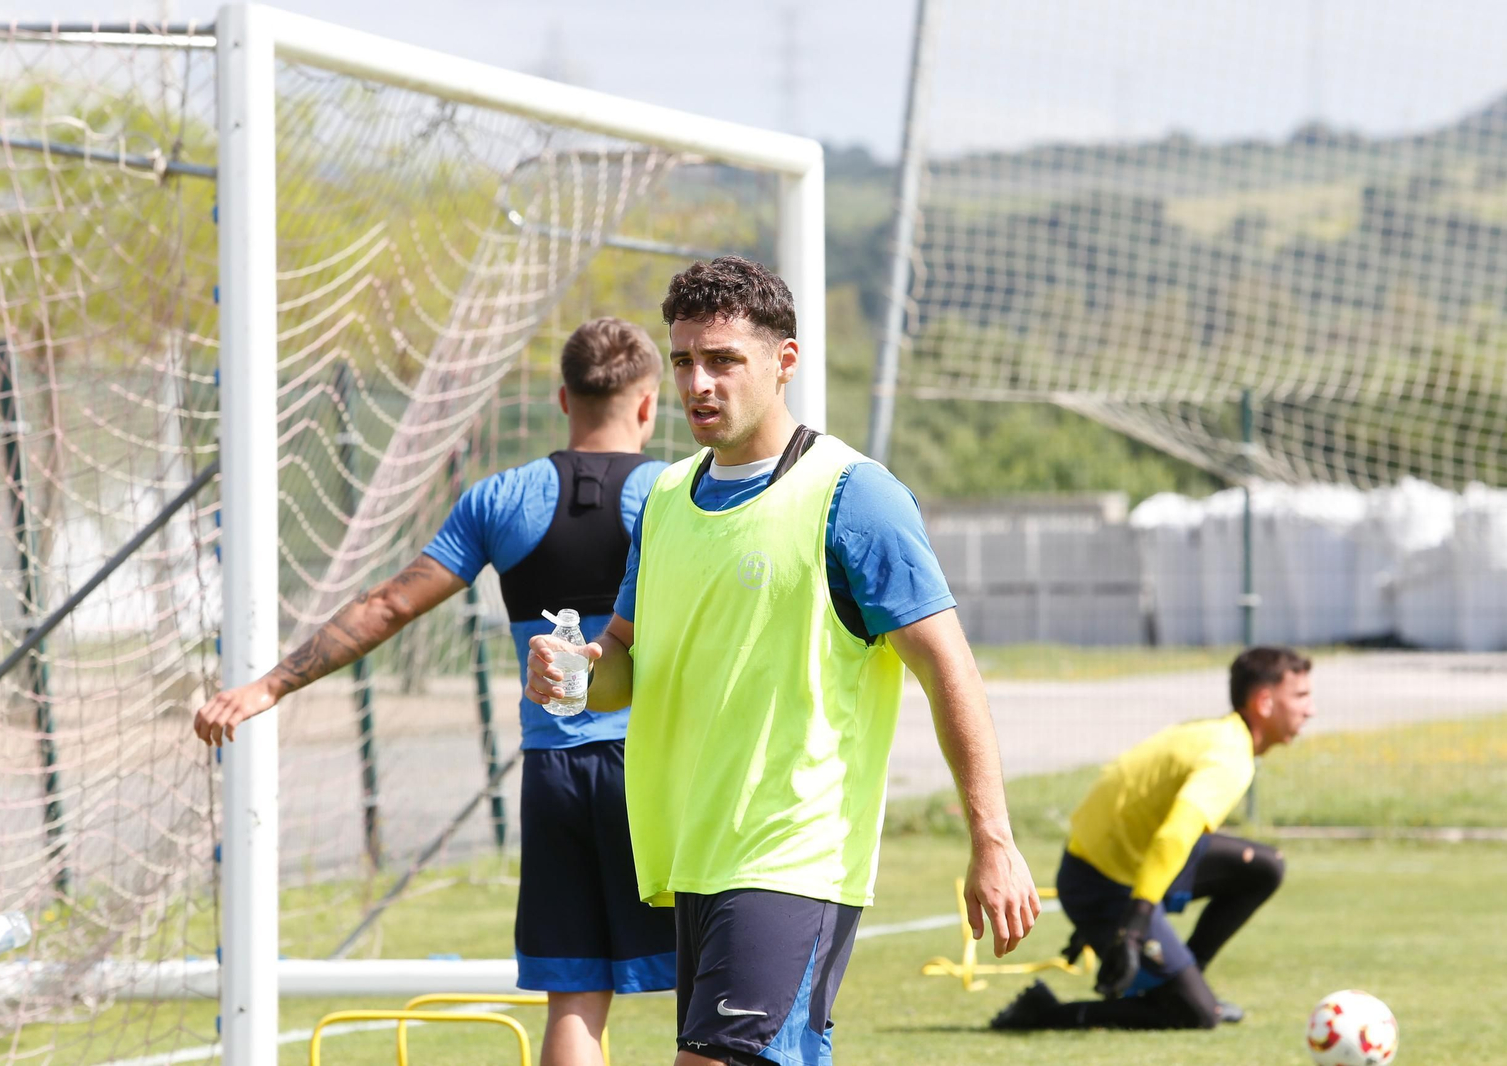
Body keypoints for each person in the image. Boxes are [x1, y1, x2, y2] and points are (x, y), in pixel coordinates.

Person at [524, 256, 1040, 1066]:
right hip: (692, 852)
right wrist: (577, 676)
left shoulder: (853, 495)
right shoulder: (664, 499)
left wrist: (993, 839)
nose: (701, 382)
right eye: (687, 359)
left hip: (794, 855)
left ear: (784, 361)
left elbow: (949, 670)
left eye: (724, 360)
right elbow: (626, 654)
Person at [192, 317, 676, 1066]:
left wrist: (269, 686)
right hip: (655, 772)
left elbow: (387, 604)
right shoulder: (673, 496)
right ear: (648, 405)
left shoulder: (502, 498)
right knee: (718, 990)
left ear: (561, 398)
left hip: (554, 777)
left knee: (576, 1000)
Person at [990, 646, 1313, 1032]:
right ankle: (1043, 1013)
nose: (1309, 710)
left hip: (1114, 864)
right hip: (1099, 884)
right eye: (1301, 696)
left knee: (1264, 867)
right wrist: (1133, 930)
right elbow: (1174, 836)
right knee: (1197, 1015)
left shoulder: (1218, 733)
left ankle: (1182, 978)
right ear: (1264, 701)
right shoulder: (1230, 756)